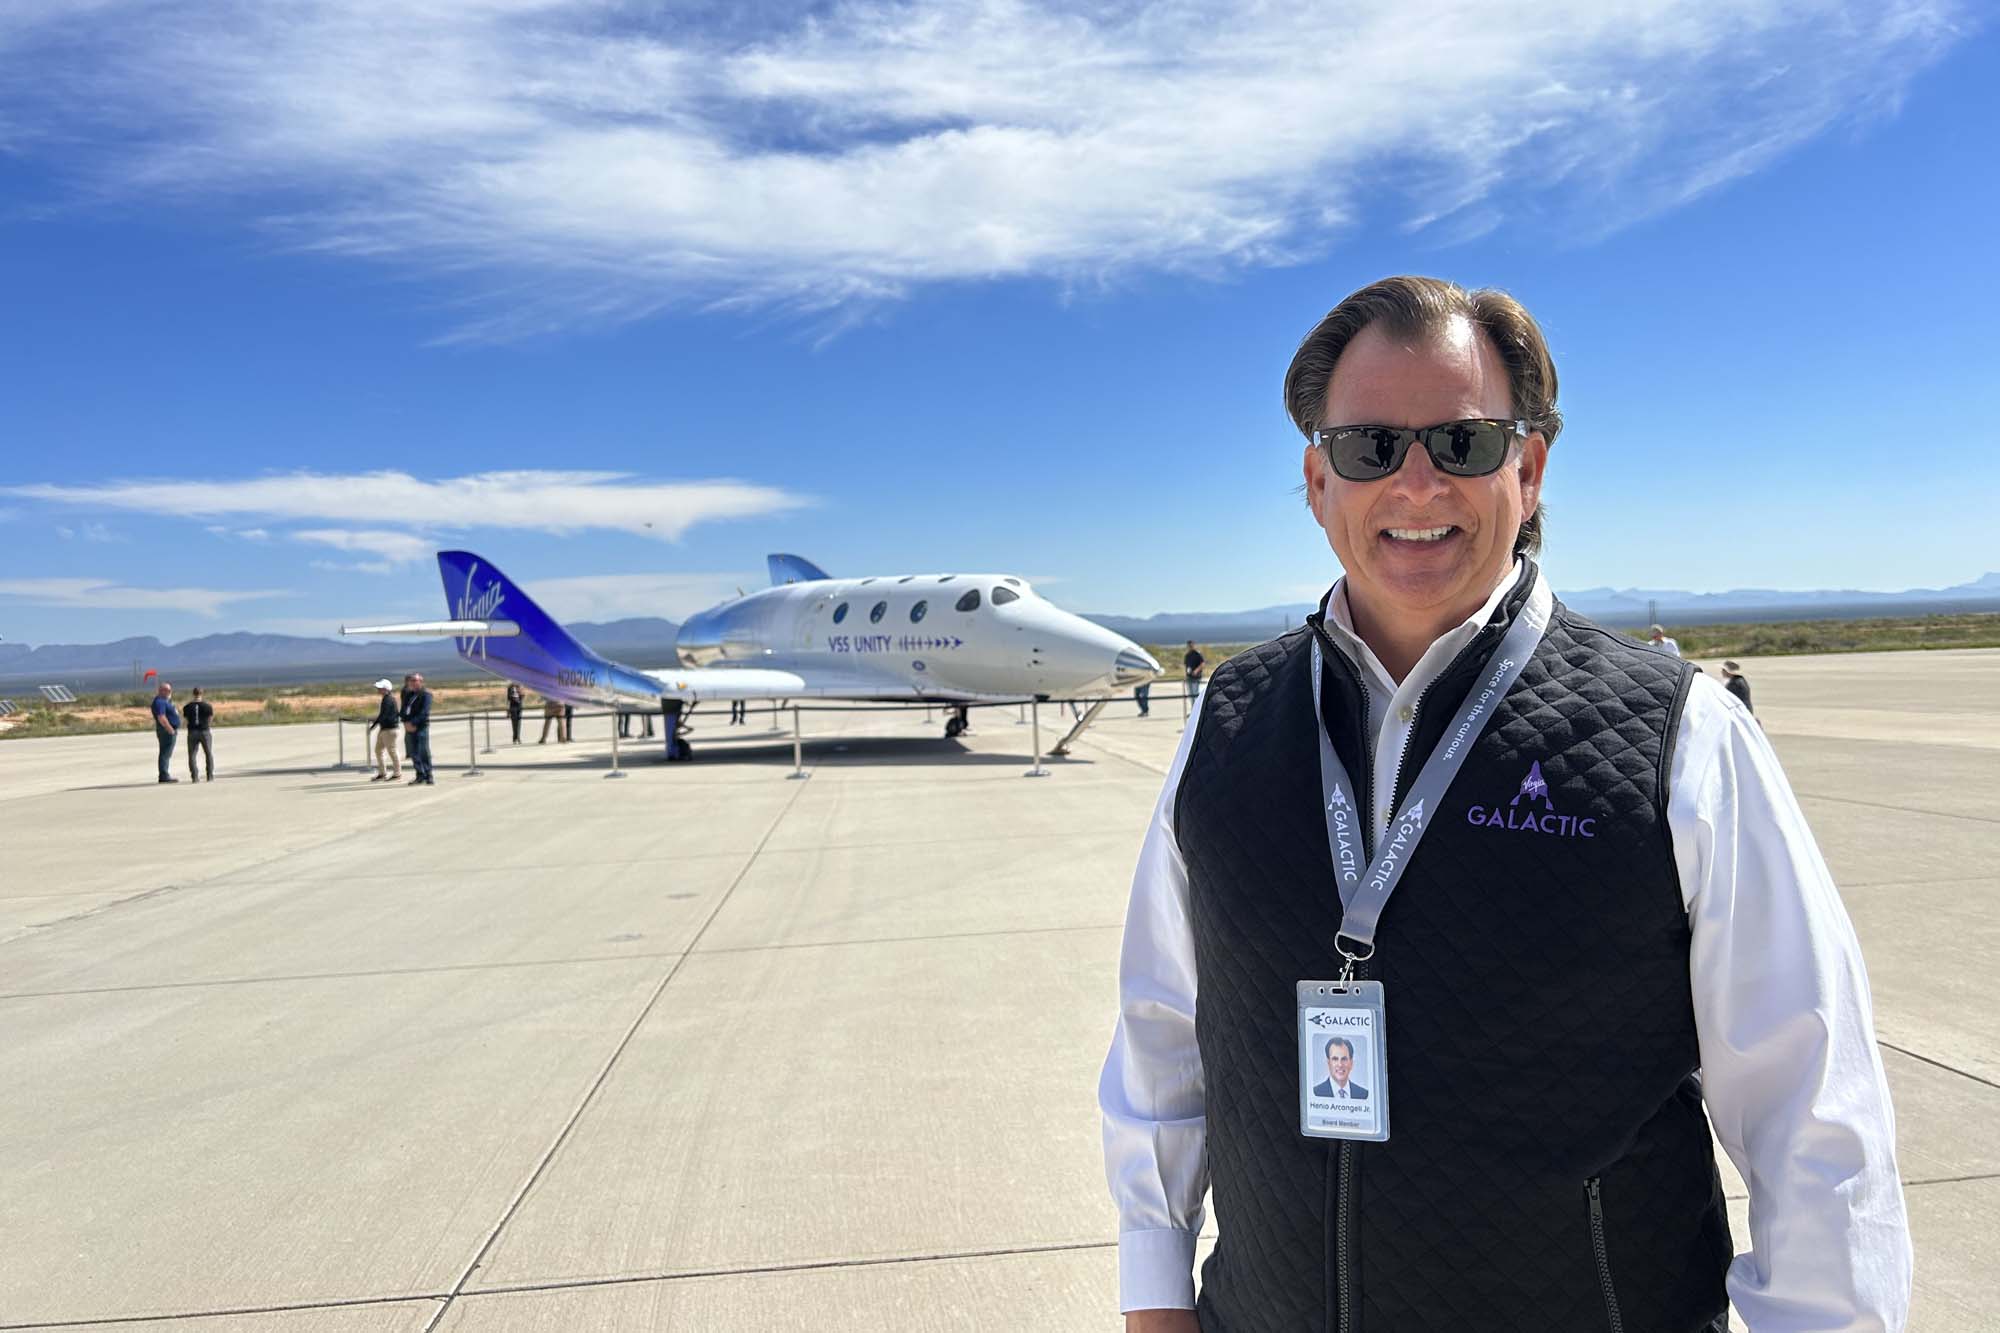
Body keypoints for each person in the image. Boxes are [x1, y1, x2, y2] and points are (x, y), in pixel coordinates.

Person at [1100, 276, 1908, 1332]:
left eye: (1463, 443)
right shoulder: (1226, 723)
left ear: (1526, 469)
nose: (1417, 484)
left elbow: (1811, 1104)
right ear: (1314, 481)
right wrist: (1152, 1291)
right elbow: (1163, 1033)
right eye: (1369, 448)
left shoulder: (1677, 736)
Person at [401, 671, 434, 785]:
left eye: (416, 681)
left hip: (420, 727)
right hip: (409, 728)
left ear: (421, 682)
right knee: (414, 752)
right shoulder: (408, 695)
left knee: (423, 751)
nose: (414, 683)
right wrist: (405, 722)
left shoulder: (426, 695)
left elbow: (424, 712)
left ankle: (428, 775)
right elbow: (404, 710)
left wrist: (413, 723)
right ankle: (419, 775)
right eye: (412, 681)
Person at [366, 679, 402, 781]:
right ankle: (382, 773)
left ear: (386, 689)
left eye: (380, 688)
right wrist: (375, 724)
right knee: (379, 750)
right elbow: (383, 715)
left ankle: (397, 773)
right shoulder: (386, 699)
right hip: (385, 729)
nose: (378, 689)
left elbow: (383, 715)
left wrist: (374, 725)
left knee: (392, 751)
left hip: (390, 729)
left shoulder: (388, 700)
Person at [149, 681, 180, 784]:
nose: (170, 692)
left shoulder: (165, 701)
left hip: (168, 729)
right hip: (166, 730)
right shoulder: (160, 702)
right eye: (167, 690)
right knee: (165, 753)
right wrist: (169, 729)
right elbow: (161, 717)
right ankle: (164, 774)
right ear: (161, 691)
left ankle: (164, 773)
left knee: (166, 752)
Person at [183, 686, 216, 781]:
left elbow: (186, 720)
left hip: (192, 731)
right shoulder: (207, 706)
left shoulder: (187, 707)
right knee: (208, 753)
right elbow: (210, 719)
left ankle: (194, 776)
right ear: (201, 694)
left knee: (192, 754)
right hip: (204, 730)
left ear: (193, 694)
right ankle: (209, 775)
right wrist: (206, 725)